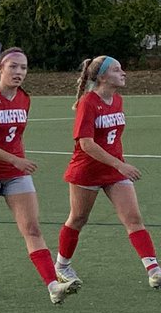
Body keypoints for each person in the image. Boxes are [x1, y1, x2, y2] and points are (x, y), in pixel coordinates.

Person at [0, 48, 78, 305]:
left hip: (15, 175)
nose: (19, 72)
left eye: (23, 68)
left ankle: (53, 286)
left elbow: (15, 136)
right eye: (13, 66)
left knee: (32, 228)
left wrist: (16, 161)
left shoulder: (24, 99)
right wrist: (14, 159)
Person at [55, 56, 159, 289]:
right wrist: (120, 165)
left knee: (133, 218)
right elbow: (87, 144)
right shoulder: (88, 103)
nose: (123, 73)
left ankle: (154, 269)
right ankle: (62, 266)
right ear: (102, 77)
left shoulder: (117, 100)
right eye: (116, 70)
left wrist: (117, 166)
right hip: (87, 170)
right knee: (78, 218)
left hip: (113, 170)